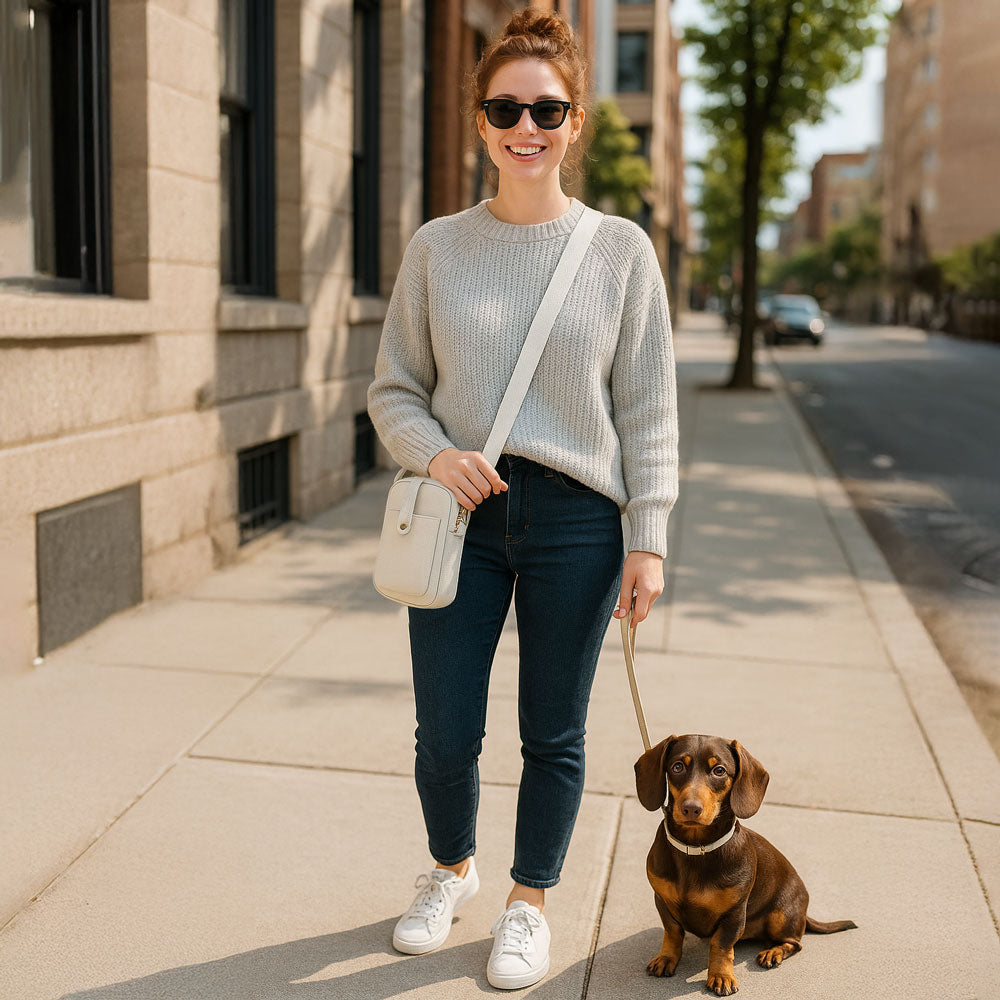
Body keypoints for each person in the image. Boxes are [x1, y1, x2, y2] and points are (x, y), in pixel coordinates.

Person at [366, 7, 678, 990]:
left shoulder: (621, 251)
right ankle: (450, 870)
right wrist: (432, 452)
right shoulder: (436, 249)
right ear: (480, 119)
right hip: (461, 518)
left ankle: (526, 901)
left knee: (554, 730)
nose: (525, 124)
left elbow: (646, 407)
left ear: (575, 121)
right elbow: (392, 390)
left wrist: (649, 537)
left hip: (581, 521)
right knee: (446, 728)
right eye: (505, 106)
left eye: (545, 107)